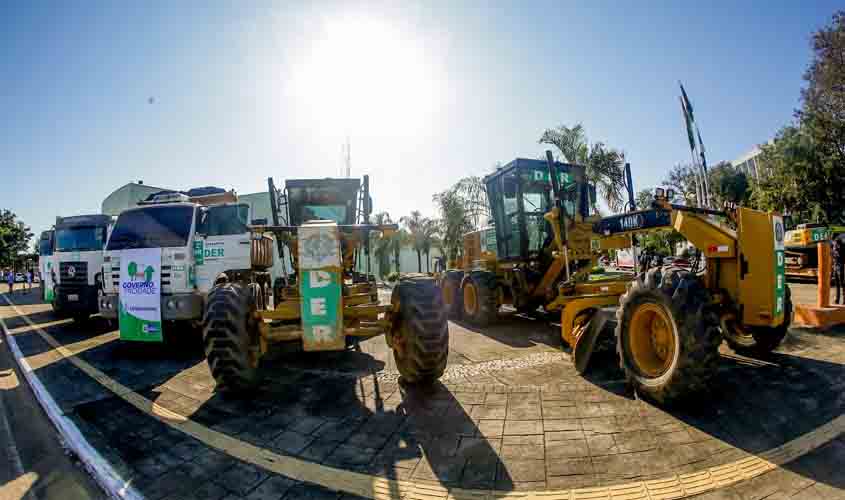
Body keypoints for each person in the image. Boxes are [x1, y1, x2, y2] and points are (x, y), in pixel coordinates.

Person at [833, 234, 845, 305]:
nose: (835, 247)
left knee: (842, 284)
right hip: (836, 265)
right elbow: (833, 256)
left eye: (836, 245)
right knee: (837, 284)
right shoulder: (837, 240)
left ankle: (844, 301)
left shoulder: (841, 246)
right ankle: (837, 300)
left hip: (841, 266)